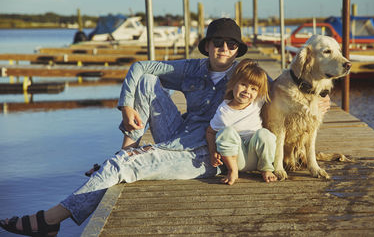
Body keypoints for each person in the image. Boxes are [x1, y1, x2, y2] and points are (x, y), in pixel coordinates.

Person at [0, 17, 250, 236]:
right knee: (147, 80)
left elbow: (282, 94)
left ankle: (49, 221)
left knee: (120, 165)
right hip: (179, 136)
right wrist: (126, 106)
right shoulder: (192, 69)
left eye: (232, 44)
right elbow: (139, 67)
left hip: (204, 156)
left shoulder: (247, 75)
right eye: (218, 42)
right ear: (207, 46)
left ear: (238, 50)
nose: (224, 49)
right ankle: (127, 149)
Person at [206, 59, 277, 185]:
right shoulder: (224, 111)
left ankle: (266, 169)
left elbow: (279, 85)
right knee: (226, 132)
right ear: (233, 84)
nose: (247, 91)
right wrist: (213, 152)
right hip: (235, 158)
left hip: (256, 156)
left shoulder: (257, 101)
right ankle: (233, 171)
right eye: (243, 84)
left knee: (264, 134)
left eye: (253, 88)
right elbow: (210, 132)